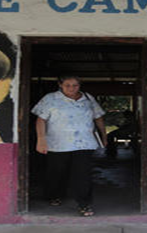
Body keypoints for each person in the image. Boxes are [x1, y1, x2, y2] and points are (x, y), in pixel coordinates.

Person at [31, 75, 107, 217]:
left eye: (75, 85)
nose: (72, 88)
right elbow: (41, 119)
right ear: (60, 85)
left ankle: (84, 204)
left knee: (83, 175)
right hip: (58, 143)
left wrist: (104, 135)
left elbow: (98, 117)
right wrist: (41, 139)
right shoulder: (50, 98)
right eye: (68, 85)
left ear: (80, 85)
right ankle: (54, 195)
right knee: (57, 172)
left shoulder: (88, 98)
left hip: (84, 143)